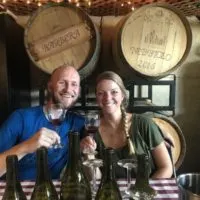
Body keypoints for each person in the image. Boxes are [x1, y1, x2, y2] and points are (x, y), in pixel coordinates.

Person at [80, 71, 173, 179]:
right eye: (101, 93)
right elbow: (96, 179)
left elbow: (166, 167)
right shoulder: (91, 130)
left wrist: (146, 191)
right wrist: (88, 155)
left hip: (144, 192)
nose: (107, 97)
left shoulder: (144, 124)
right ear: (97, 97)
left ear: (122, 95)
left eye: (114, 92)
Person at [0, 66, 85, 180]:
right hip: (16, 191)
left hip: (51, 191)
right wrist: (26, 146)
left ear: (78, 91)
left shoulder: (78, 123)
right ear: (50, 87)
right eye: (62, 82)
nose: (68, 89)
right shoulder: (21, 118)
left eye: (74, 84)